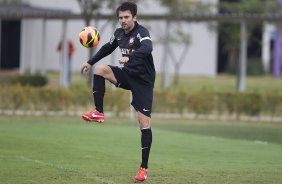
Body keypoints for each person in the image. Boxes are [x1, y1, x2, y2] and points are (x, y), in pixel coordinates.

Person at [80, 1, 155, 182]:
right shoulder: (119, 34)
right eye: (120, 17)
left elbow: (147, 48)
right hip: (127, 75)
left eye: (126, 17)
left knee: (143, 123)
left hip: (143, 82)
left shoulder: (141, 33)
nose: (123, 20)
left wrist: (130, 56)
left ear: (134, 18)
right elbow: (107, 47)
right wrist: (90, 62)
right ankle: (98, 112)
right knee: (100, 70)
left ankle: (143, 168)